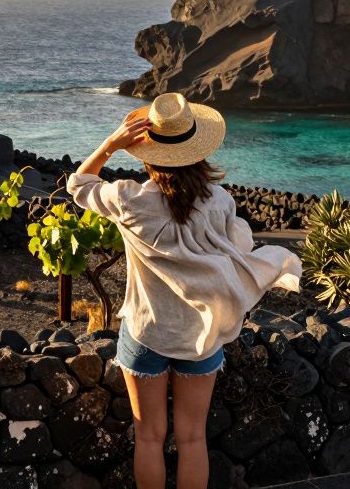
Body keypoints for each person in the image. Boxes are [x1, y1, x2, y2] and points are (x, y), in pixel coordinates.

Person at [67, 92, 302, 489]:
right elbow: (237, 247)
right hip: (203, 334)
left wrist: (111, 144)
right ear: (198, 148)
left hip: (146, 331)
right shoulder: (220, 202)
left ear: (148, 151)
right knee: (193, 439)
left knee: (149, 437)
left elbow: (79, 184)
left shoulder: (129, 199)